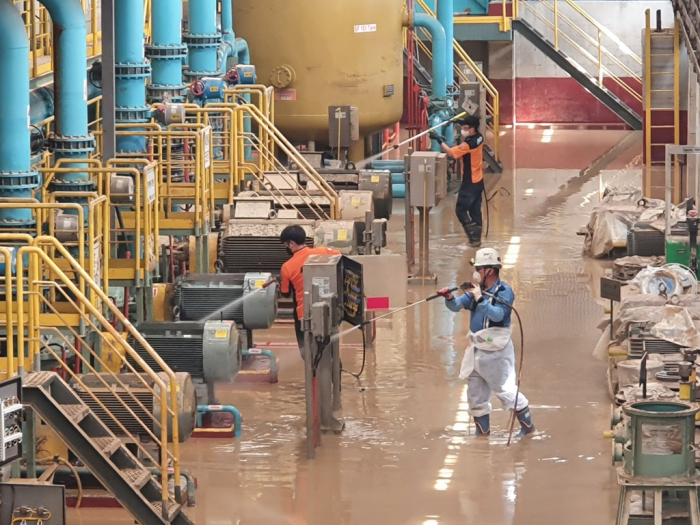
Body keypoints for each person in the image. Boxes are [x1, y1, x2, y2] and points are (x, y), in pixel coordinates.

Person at [436, 247, 535, 437]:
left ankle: (528, 429)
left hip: (497, 351)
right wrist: (449, 297)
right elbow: (457, 306)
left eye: (479, 268)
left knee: (505, 390)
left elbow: (498, 315)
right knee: (475, 395)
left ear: (490, 270)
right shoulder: (476, 290)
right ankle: (482, 436)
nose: (477, 272)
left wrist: (481, 299)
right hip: (477, 350)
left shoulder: (505, 291)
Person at [279, 225, 341, 358]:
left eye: (286, 244)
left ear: (292, 243)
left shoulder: (287, 267)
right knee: (331, 353)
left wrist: (281, 281)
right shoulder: (324, 251)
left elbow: (285, 292)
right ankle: (334, 375)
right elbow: (341, 257)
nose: (286, 248)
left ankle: (313, 377)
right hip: (329, 312)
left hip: (305, 317)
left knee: (308, 356)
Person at [430, 115, 485, 247]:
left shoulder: (468, 144)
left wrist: (438, 139)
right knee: (475, 210)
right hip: (478, 181)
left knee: (460, 210)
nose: (463, 130)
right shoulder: (479, 137)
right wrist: (456, 121)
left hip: (469, 183)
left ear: (472, 129)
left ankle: (472, 235)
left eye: (466, 128)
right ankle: (477, 239)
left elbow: (450, 153)